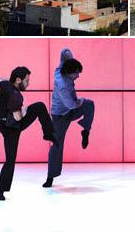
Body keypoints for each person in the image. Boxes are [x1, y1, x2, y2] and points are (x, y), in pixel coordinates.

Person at [0, 66, 58, 201]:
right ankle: (0, 191)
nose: (28, 84)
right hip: (10, 128)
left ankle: (48, 134)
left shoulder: (5, 85)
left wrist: (8, 84)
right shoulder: (15, 96)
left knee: (39, 106)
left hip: (8, 123)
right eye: (26, 81)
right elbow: (18, 117)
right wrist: (23, 111)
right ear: (18, 80)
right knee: (10, 160)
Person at [43, 48, 95, 188]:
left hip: (70, 110)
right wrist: (81, 101)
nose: (78, 76)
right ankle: (50, 177)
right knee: (57, 145)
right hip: (60, 115)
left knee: (90, 105)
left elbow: (64, 51)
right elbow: (72, 105)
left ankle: (85, 131)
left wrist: (70, 58)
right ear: (68, 73)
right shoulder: (63, 85)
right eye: (76, 74)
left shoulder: (61, 67)